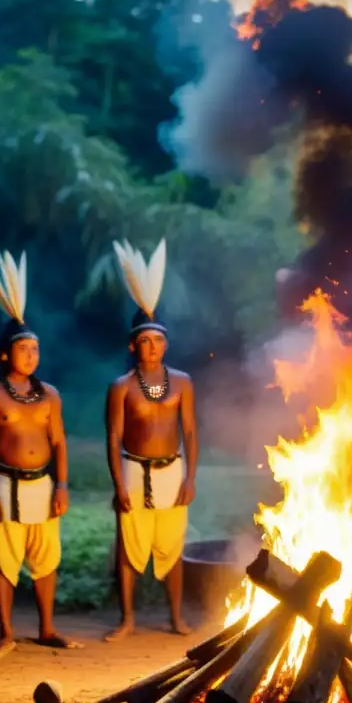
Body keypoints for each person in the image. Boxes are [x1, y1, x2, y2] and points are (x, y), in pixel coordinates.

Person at [0, 250, 82, 661]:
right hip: (4, 482)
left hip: (43, 483)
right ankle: (4, 633)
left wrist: (63, 484)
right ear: (5, 354)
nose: (32, 355)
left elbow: (59, 443)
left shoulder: (50, 394)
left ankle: (47, 628)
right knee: (4, 559)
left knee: (46, 558)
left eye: (35, 349)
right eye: (24, 349)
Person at [104, 239, 198, 641]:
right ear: (133, 345)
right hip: (132, 468)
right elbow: (113, 436)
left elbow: (190, 431)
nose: (153, 347)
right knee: (129, 546)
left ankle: (176, 617)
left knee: (171, 546)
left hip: (170, 470)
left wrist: (190, 478)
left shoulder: (182, 383)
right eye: (145, 340)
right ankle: (127, 619)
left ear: (166, 343)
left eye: (158, 340)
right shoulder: (121, 386)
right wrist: (118, 483)